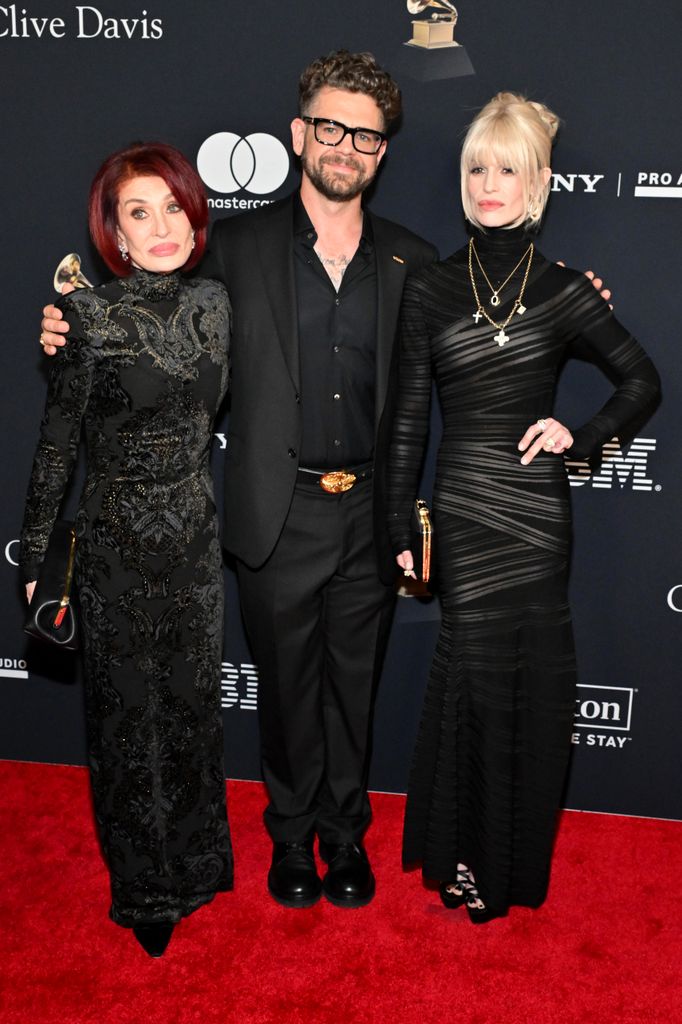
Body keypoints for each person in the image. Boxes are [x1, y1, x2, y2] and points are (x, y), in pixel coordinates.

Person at [37, 55, 611, 912]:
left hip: (374, 512)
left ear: (381, 153)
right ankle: (290, 838)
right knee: (288, 696)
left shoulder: (417, 264)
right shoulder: (229, 248)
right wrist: (70, 327)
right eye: (332, 127)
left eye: (367, 135)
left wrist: (576, 299)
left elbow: (498, 302)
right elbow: (153, 317)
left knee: (354, 688)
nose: (347, 146)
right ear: (301, 134)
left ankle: (345, 836)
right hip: (277, 509)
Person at [387, 93, 660, 923]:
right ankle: (467, 857)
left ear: (540, 183)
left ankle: (506, 866)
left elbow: (642, 381)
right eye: (476, 167)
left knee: (524, 694)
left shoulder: (566, 290)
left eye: (507, 168)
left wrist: (579, 437)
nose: (488, 182)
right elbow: (405, 420)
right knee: (472, 684)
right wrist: (401, 524)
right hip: (464, 514)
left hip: (536, 518)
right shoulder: (430, 288)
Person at [21, 143, 233, 956]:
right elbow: (56, 447)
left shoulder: (216, 303)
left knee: (189, 717)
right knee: (125, 722)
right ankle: (146, 889)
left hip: (194, 540)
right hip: (114, 544)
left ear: (193, 214)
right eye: (138, 213)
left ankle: (199, 864)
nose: (160, 227)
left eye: (172, 208)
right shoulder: (87, 315)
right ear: (113, 230)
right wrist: (37, 558)